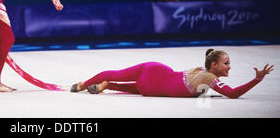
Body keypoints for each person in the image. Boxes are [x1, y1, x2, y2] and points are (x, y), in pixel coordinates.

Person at [70, 49, 274, 99]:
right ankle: (109, 85)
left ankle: (84, 84)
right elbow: (234, 94)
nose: (229, 67)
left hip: (155, 70)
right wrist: (257, 79)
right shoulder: (210, 79)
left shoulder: (202, 70)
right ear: (214, 65)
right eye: (226, 63)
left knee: (118, 73)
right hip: (153, 88)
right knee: (139, 88)